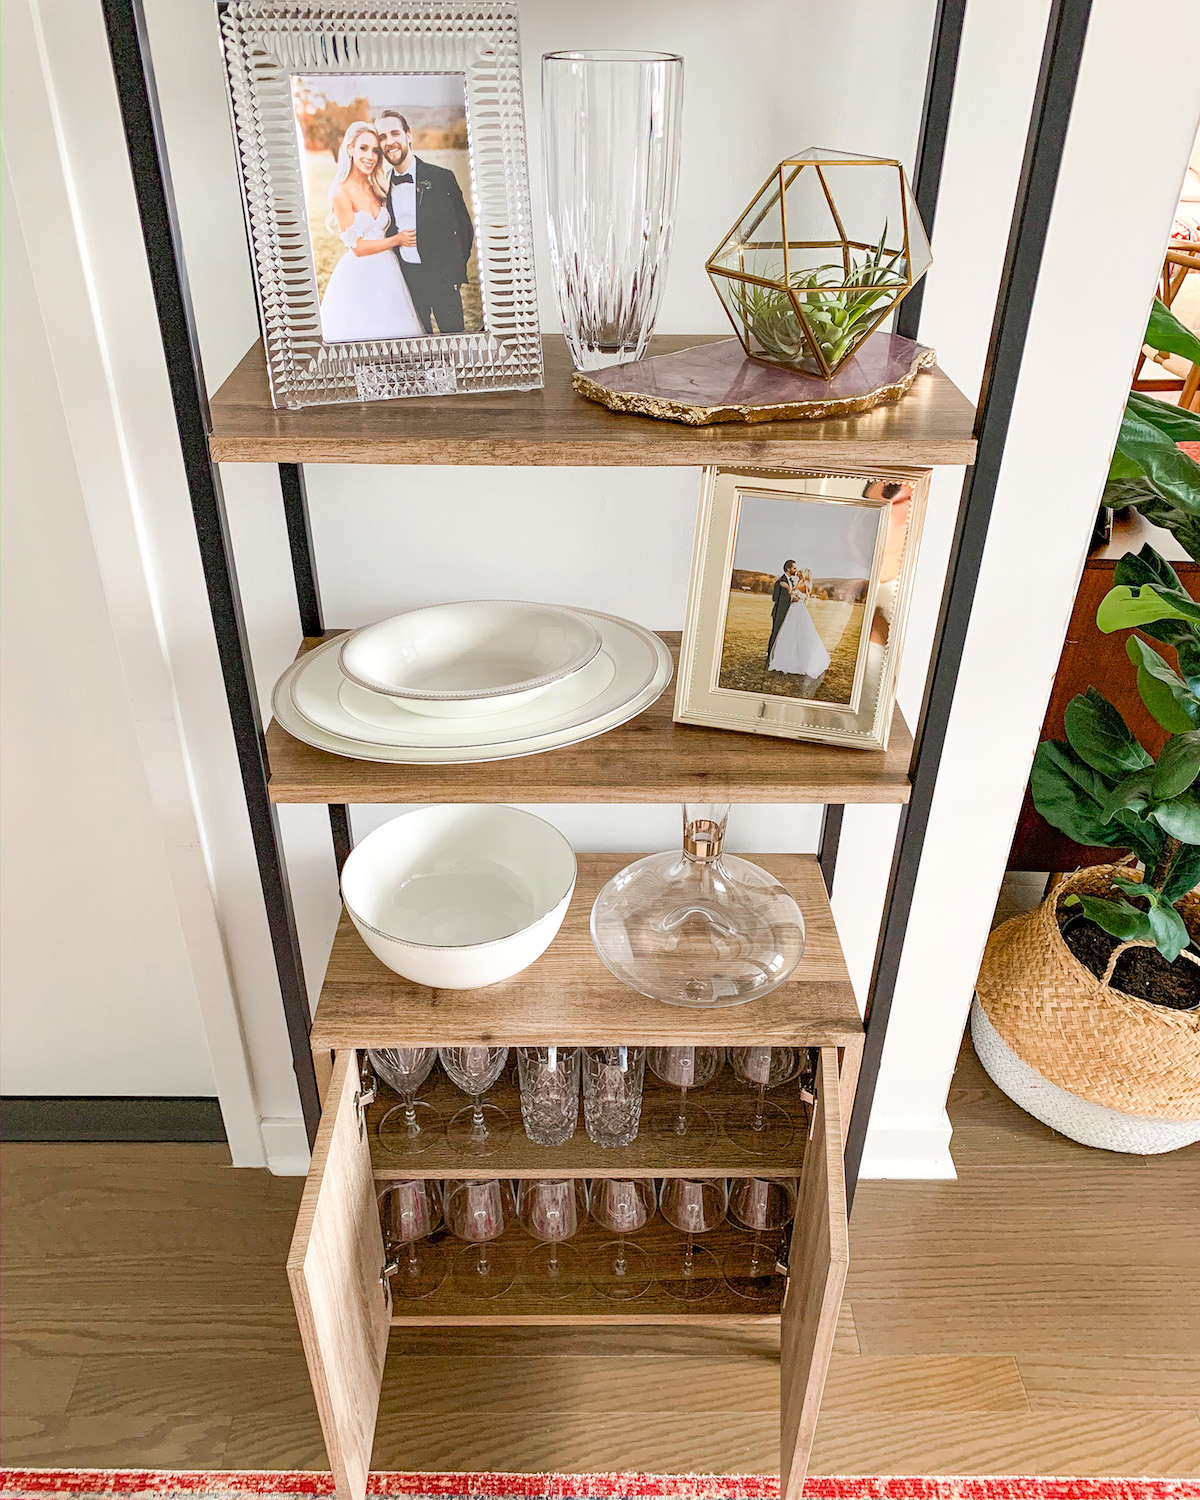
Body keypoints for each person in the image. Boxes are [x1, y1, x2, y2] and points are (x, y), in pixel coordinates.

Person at [319, 122, 424, 343]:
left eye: (376, 150)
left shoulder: (376, 185)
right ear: (350, 149)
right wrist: (397, 240)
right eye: (363, 148)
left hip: (389, 269)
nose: (371, 156)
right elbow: (357, 247)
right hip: (360, 274)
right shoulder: (340, 192)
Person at [375, 109, 475, 335]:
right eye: (382, 137)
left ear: (408, 135)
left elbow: (464, 230)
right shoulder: (380, 186)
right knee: (418, 342)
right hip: (407, 282)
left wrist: (453, 275)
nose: (390, 142)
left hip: (443, 281)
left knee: (454, 339)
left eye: (394, 133)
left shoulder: (442, 178)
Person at [768, 567, 831, 681]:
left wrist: (787, 588)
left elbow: (796, 597)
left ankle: (797, 659)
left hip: (797, 610)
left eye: (801, 571)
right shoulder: (799, 582)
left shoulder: (804, 584)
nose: (798, 572)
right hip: (794, 609)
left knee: (797, 633)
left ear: (805, 574)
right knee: (790, 633)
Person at [766, 560, 798, 665]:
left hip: (788, 614)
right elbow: (775, 598)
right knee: (775, 634)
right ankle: (769, 657)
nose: (795, 570)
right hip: (779, 613)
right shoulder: (780, 582)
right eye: (794, 568)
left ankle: (778, 655)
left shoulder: (791, 581)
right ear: (788, 569)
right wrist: (790, 599)